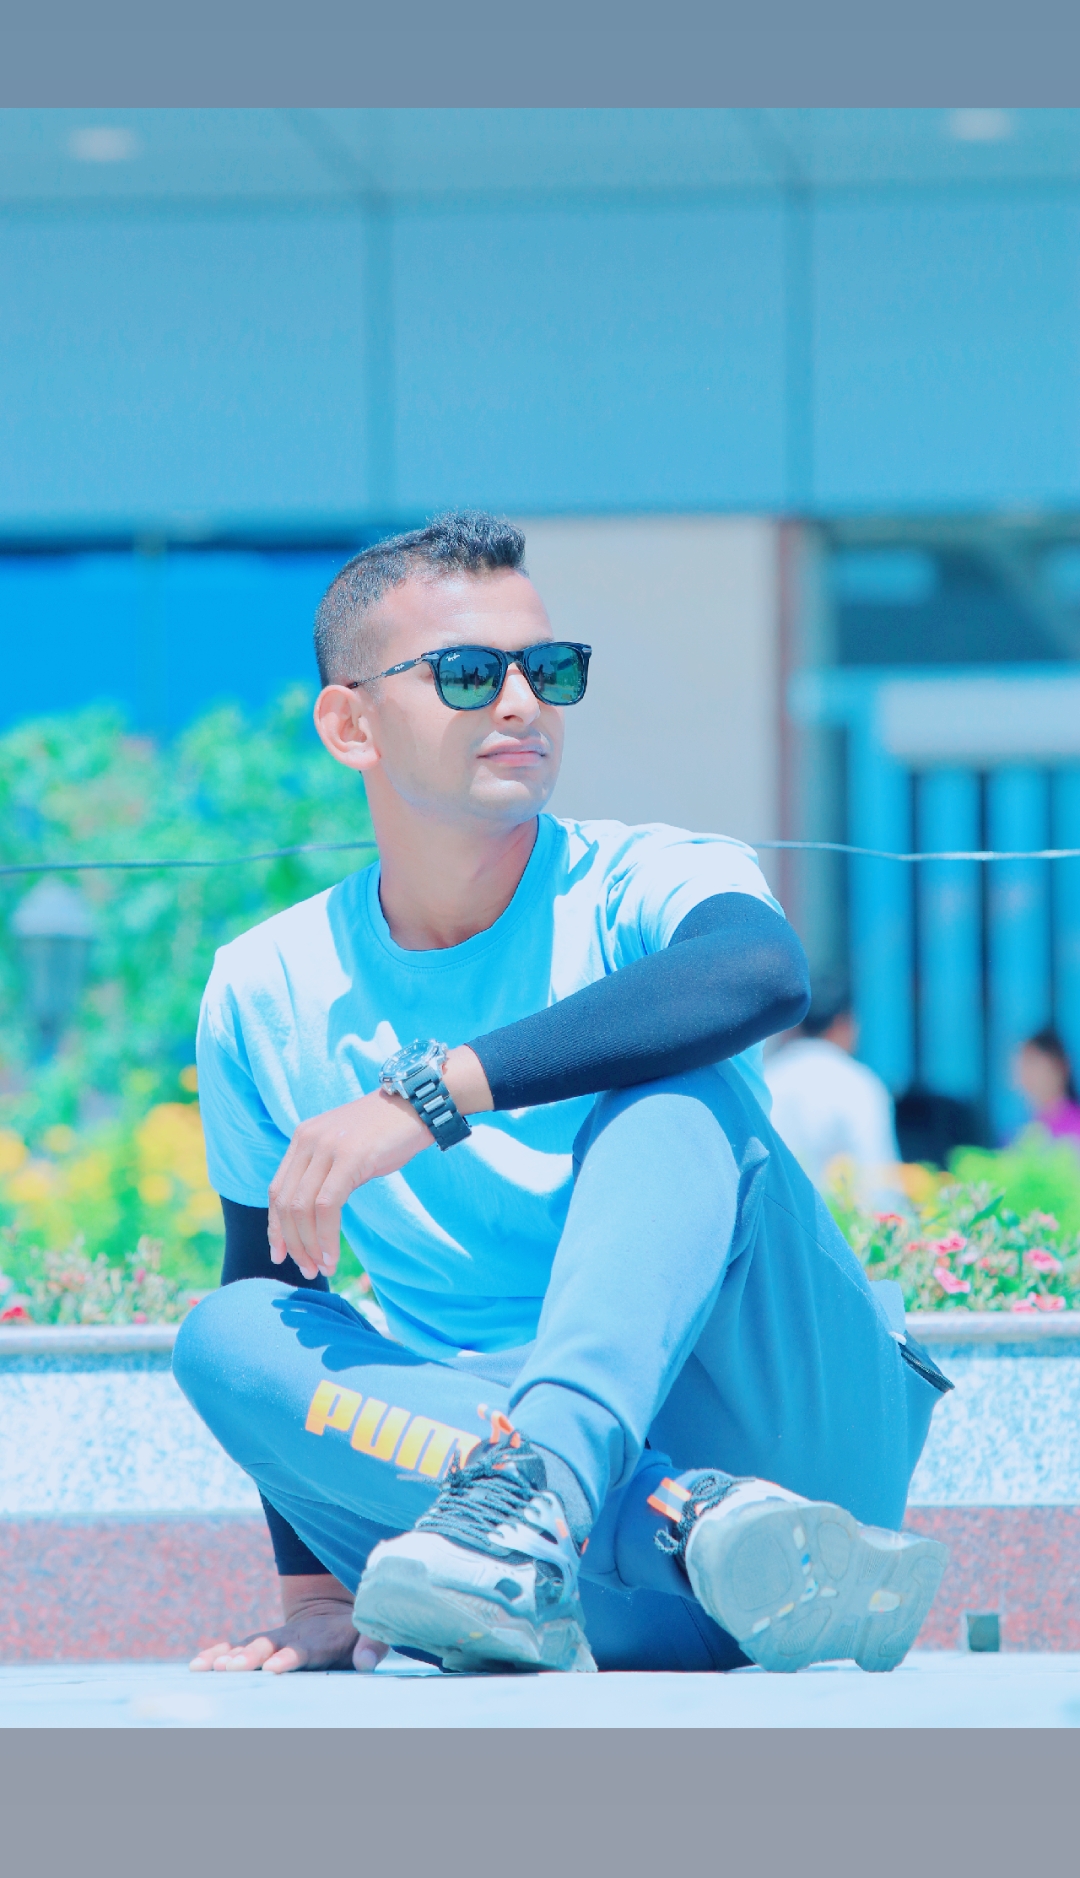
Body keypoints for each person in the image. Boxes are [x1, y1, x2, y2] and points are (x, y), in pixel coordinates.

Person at [174, 512, 948, 1680]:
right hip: (579, 1573)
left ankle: (558, 1490)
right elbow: (279, 1290)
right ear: (349, 724)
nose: (521, 703)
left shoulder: (648, 879)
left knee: (677, 1091)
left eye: (549, 669)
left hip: (803, 1492)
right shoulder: (264, 988)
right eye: (467, 674)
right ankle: (657, 1517)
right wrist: (319, 1594)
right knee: (228, 1333)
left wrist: (433, 1094)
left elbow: (759, 974)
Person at [766, 977, 902, 1201]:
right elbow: (879, 1181)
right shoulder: (858, 1084)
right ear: (843, 1023)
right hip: (840, 1218)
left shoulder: (769, 1077)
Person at [1013, 1027, 1080, 1143]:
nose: (1026, 1077)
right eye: (1023, 1067)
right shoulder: (1022, 1135)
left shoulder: (1076, 1127)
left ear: (1060, 1067)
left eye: (1034, 1065)